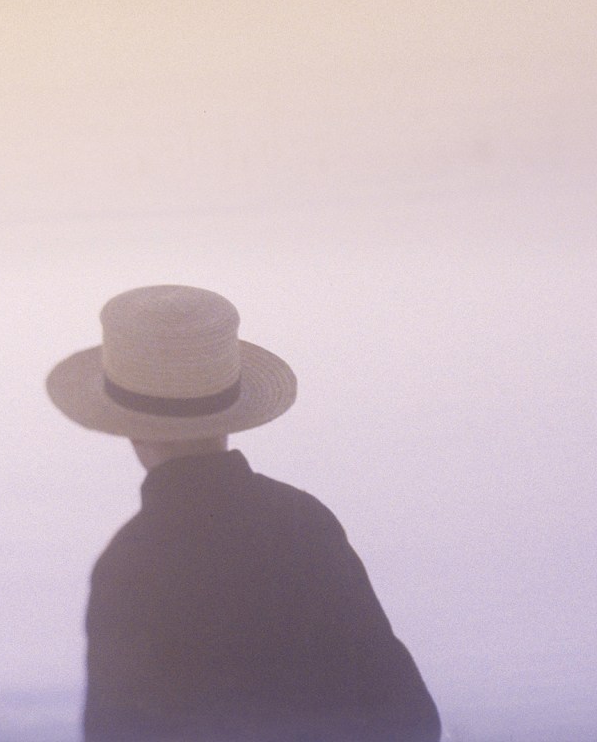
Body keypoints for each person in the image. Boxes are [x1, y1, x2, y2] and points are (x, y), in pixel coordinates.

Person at [46, 284, 441, 742]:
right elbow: (410, 717)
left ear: (127, 428)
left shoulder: (131, 565)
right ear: (232, 411)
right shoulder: (304, 520)